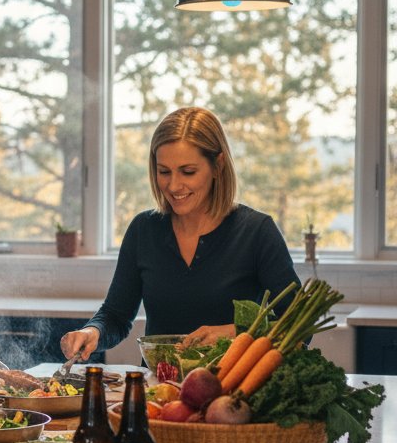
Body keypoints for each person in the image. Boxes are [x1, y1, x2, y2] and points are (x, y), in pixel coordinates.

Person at [60, 106, 300, 363]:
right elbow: (116, 315)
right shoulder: (144, 230)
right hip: (158, 393)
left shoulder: (256, 232)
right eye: (164, 171)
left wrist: (235, 333)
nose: (173, 186)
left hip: (233, 393)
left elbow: (298, 325)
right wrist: (92, 331)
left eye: (188, 172)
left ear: (218, 165)